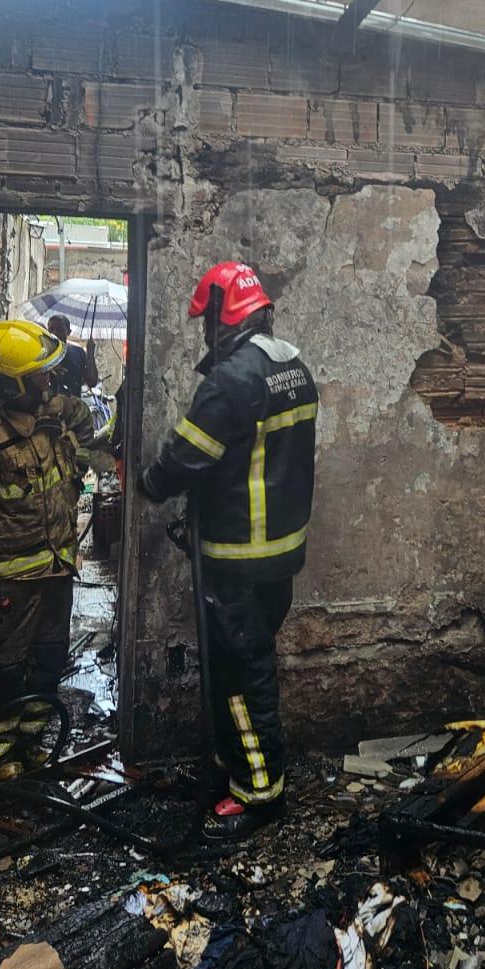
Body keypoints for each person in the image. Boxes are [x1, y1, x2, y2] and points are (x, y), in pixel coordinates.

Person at [139, 262, 318, 841]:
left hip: (236, 557)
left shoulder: (231, 381)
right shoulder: (293, 366)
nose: (202, 335)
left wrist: (147, 482)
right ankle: (234, 760)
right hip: (280, 555)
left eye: (204, 323)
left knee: (242, 676)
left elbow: (184, 460)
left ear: (223, 317)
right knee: (247, 663)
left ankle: (259, 792)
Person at [0, 320, 94, 780]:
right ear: (9, 383)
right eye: (39, 376)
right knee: (4, 672)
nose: (48, 382)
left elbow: (85, 420)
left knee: (49, 661)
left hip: (55, 569)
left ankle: (29, 746)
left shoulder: (49, 412)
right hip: (9, 581)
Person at [46, 313, 99, 398]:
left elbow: (92, 382)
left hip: (73, 406)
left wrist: (91, 354)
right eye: (51, 329)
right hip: (50, 406)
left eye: (60, 330)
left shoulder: (78, 352)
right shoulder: (43, 353)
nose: (55, 333)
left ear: (69, 332)